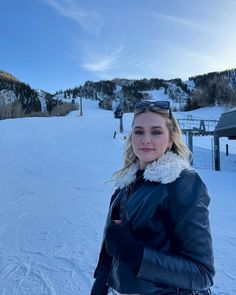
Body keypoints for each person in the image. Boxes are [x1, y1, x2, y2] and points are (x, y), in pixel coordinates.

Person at [90, 101, 215, 295]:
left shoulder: (182, 183)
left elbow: (201, 273)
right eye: (139, 131)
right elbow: (111, 253)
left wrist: (137, 255)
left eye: (156, 132)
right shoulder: (123, 187)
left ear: (171, 139)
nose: (145, 139)